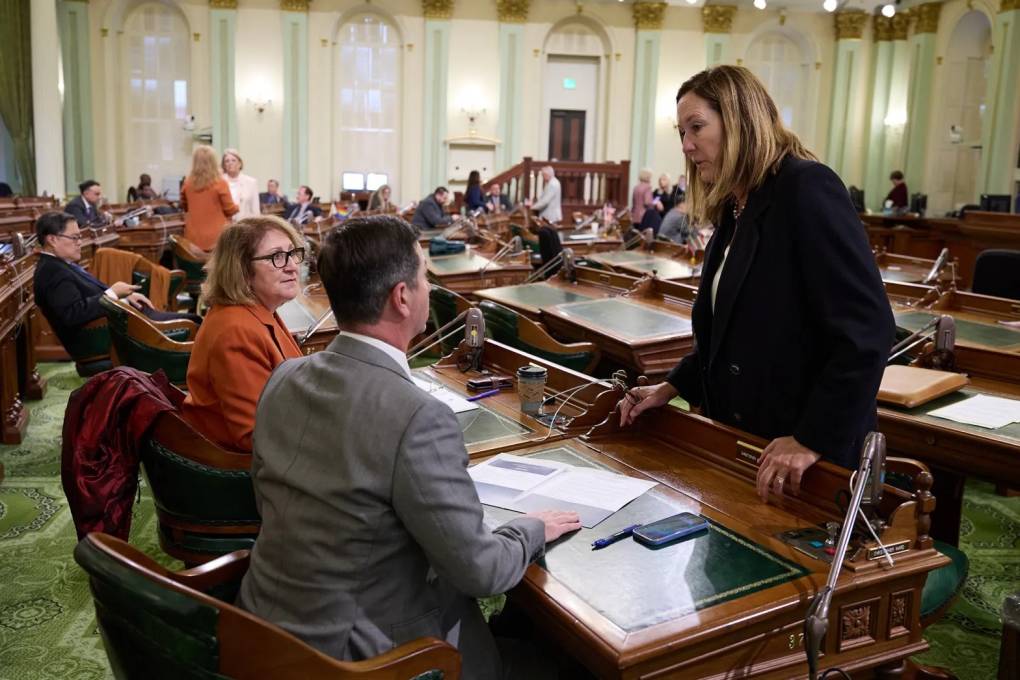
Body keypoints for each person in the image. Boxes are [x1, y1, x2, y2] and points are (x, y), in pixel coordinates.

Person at [236, 214, 581, 677]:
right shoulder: (420, 417)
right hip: (364, 658)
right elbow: (481, 573)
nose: (430, 289)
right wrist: (532, 528)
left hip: (267, 630)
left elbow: (273, 501)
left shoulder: (285, 377)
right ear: (402, 297)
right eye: (423, 277)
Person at [619, 65, 893, 503]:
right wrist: (671, 387)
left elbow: (867, 333)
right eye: (681, 132)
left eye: (697, 127)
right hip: (746, 443)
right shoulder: (736, 205)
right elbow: (730, 334)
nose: (687, 145)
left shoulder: (806, 187)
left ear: (740, 120)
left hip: (808, 457)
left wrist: (809, 437)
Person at [181, 216, 304, 452]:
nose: (292, 266)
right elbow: (254, 435)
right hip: (244, 471)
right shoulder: (236, 331)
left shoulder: (256, 310)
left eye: (292, 252)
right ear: (243, 270)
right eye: (277, 257)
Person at [32, 212, 199, 354]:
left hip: (126, 321)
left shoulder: (60, 264)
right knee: (195, 323)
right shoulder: (52, 271)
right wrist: (113, 294)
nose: (80, 242)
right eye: (74, 237)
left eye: (79, 237)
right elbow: (73, 314)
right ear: (52, 240)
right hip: (115, 334)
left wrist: (126, 297)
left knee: (197, 320)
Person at [180, 145, 239, 251]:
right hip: (216, 238)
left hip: (193, 238)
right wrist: (238, 206)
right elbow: (230, 210)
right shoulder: (220, 183)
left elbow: (184, 206)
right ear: (213, 161)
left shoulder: (187, 183)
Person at [222, 149, 260, 219]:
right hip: (223, 225)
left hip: (244, 226)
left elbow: (255, 211)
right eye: (227, 161)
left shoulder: (251, 182)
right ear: (224, 165)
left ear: (240, 164)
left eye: (233, 160)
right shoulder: (219, 181)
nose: (230, 163)